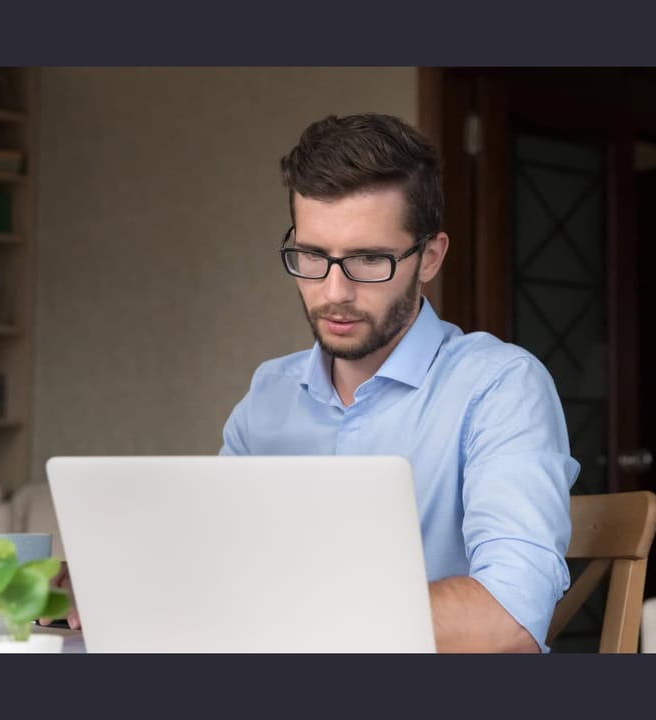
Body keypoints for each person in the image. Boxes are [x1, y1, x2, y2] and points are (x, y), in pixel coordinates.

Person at [50, 113, 579, 653]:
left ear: (430, 258)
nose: (334, 292)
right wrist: (124, 586)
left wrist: (288, 610)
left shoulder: (501, 388)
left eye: (368, 259)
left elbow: (508, 620)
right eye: (312, 256)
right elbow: (217, 571)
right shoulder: (269, 396)